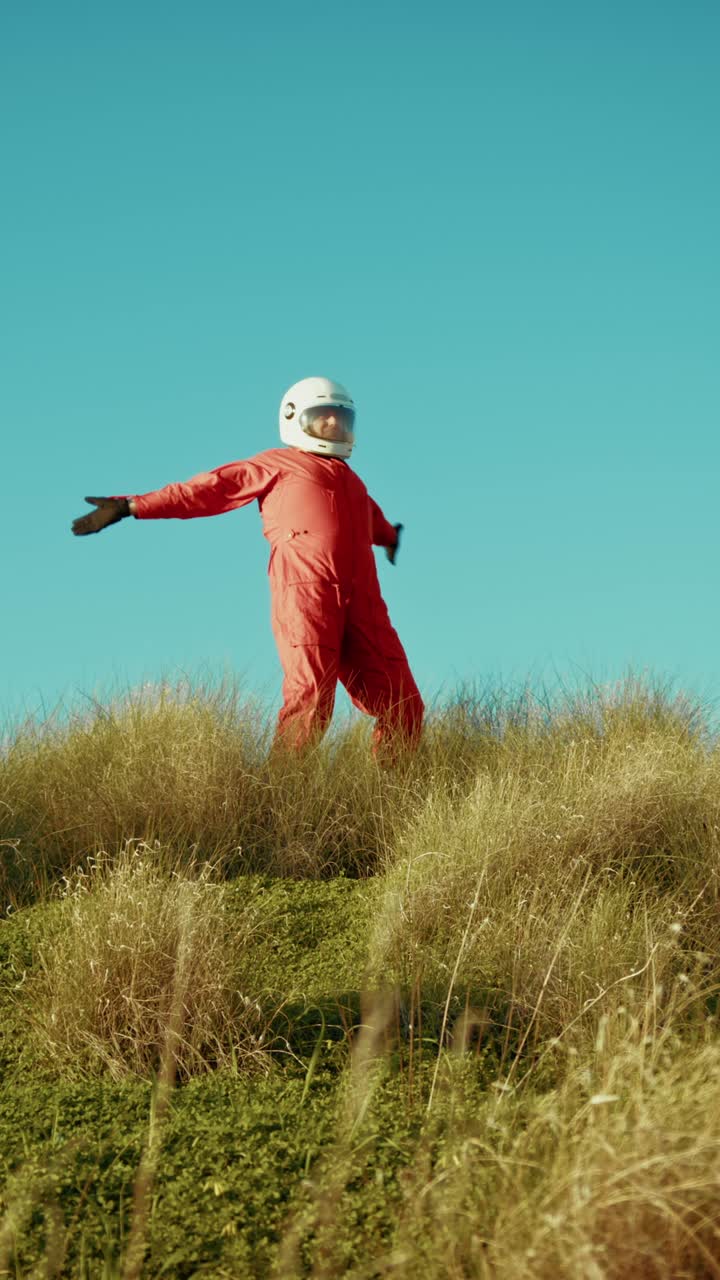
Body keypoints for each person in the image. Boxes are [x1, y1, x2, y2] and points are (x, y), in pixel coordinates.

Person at [71, 377, 424, 758]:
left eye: (341, 417)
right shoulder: (278, 465)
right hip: (308, 592)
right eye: (324, 416)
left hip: (366, 605)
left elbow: (373, 520)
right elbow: (208, 490)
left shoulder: (354, 484)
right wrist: (132, 505)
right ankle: (281, 801)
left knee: (404, 705)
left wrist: (390, 537)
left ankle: (393, 798)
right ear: (295, 418)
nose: (334, 426)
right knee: (310, 701)